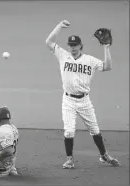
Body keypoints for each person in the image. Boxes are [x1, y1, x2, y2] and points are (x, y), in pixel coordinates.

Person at [45, 20, 120, 169]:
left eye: (75, 45)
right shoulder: (63, 55)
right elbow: (49, 41)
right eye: (70, 45)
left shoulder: (90, 60)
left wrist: (106, 47)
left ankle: (104, 155)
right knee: (69, 131)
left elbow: (108, 67)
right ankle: (69, 159)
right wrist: (59, 26)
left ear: (80, 46)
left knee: (95, 130)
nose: (72, 47)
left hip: (85, 101)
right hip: (68, 100)